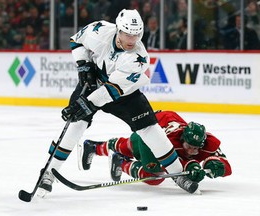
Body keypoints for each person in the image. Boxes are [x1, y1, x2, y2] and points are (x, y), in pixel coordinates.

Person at [37, 9, 199, 197]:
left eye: (137, 34)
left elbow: (111, 91)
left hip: (124, 94)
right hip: (94, 83)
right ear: (118, 30)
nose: (132, 39)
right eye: (128, 34)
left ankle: (178, 174)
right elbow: (76, 40)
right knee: (75, 125)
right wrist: (84, 65)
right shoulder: (99, 31)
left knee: (150, 129)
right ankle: (49, 173)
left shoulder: (139, 59)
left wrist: (85, 104)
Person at [79, 110, 232, 185]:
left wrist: (216, 165)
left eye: (196, 148)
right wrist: (190, 165)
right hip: (151, 131)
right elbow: (174, 165)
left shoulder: (207, 143)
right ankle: (95, 148)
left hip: (165, 120)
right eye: (189, 146)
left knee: (153, 179)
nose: (193, 151)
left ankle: (120, 162)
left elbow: (226, 165)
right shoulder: (170, 139)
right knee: (139, 156)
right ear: (182, 139)